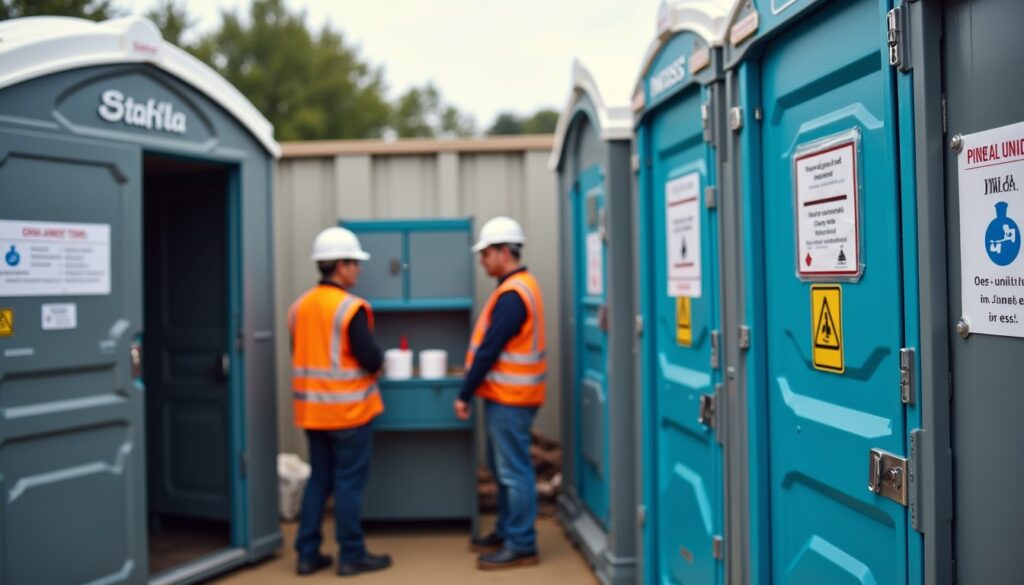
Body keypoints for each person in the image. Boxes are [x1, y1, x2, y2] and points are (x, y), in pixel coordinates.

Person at [289, 226, 392, 577]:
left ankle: (307, 554)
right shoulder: (350, 308)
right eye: (355, 264)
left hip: (312, 413)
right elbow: (370, 358)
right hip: (348, 413)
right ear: (341, 265)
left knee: (320, 480)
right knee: (348, 483)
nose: (359, 270)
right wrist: (379, 364)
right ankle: (351, 555)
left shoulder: (299, 307)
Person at [454, 216, 547, 570]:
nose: (482, 261)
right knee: (503, 467)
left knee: (513, 472)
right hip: (507, 396)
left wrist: (464, 392)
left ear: (504, 252)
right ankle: (509, 530)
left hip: (511, 399)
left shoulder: (512, 295)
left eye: (486, 253)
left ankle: (522, 543)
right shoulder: (520, 287)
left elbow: (489, 350)